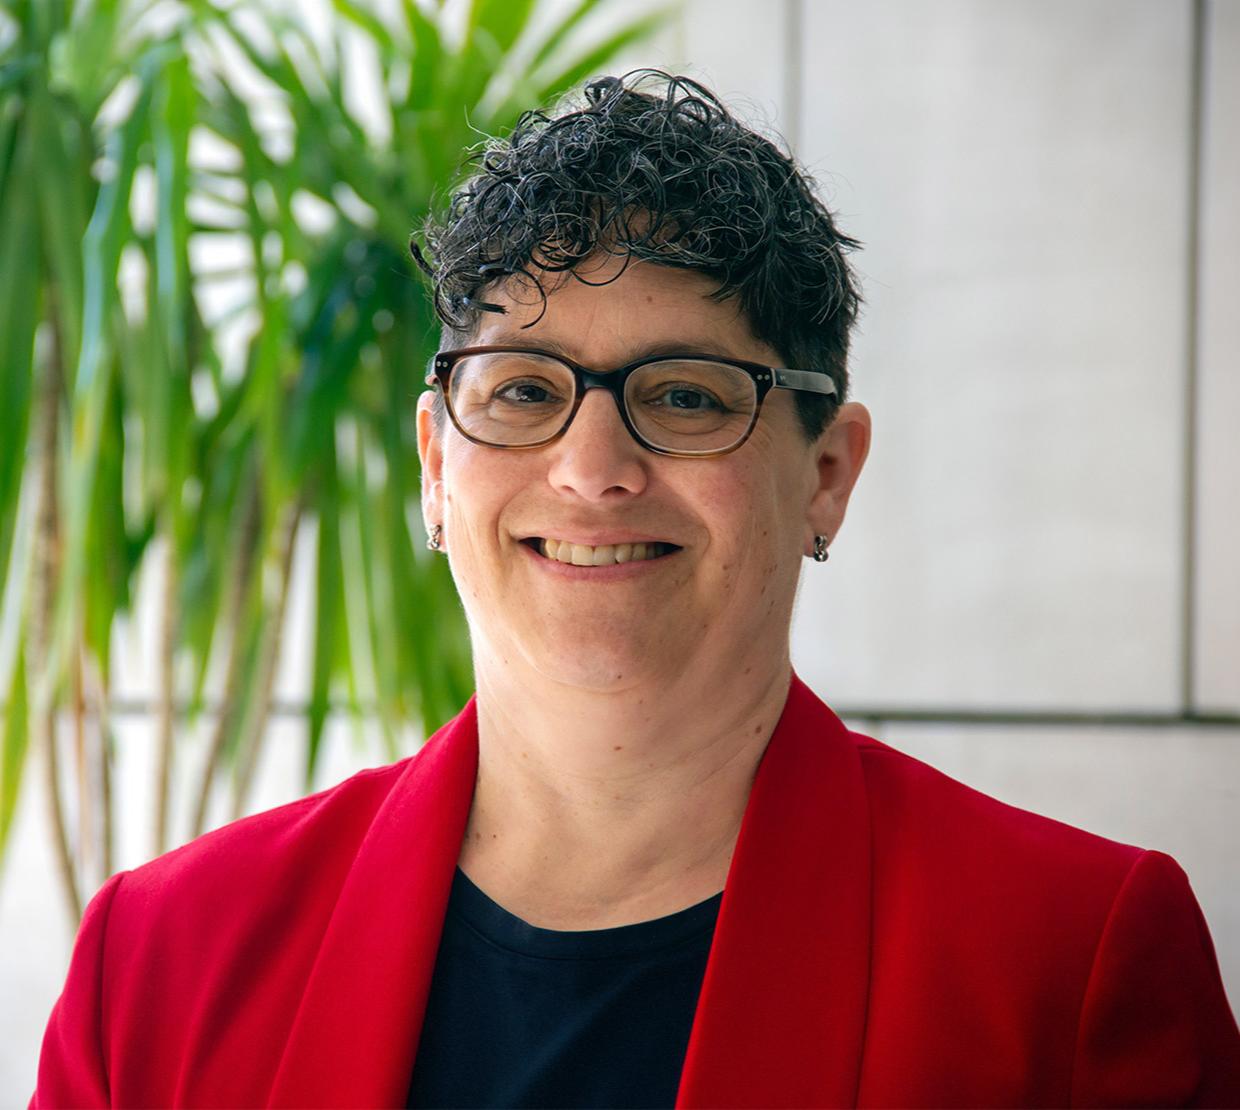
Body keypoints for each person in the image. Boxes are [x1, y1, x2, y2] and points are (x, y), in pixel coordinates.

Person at [32, 70, 1240, 1108]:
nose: (593, 471)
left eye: (687, 397)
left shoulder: (1067, 960)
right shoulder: (162, 963)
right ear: (435, 467)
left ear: (826, 474)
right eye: (521, 391)